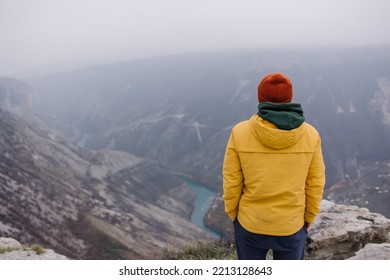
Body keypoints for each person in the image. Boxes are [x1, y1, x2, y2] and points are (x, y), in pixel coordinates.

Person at [222, 72, 325, 260]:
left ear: (260, 98)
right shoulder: (311, 135)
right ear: (290, 98)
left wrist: (233, 213)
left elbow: (232, 180)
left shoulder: (240, 132)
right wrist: (309, 217)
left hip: (250, 223)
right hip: (291, 225)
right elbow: (315, 182)